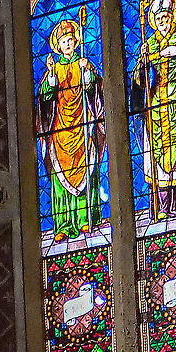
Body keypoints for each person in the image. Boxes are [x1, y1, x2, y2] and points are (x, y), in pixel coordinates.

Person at [129, 0, 176, 223]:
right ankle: (162, 206)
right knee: (157, 155)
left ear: (173, 17)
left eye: (166, 17)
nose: (163, 22)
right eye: (159, 19)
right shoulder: (148, 44)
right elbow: (138, 81)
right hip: (156, 103)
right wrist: (142, 64)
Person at [35, 18, 107, 243]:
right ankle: (64, 224)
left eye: (70, 40)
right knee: (60, 178)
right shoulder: (54, 68)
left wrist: (88, 75)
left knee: (86, 171)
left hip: (82, 126)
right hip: (60, 128)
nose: (67, 44)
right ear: (58, 45)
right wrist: (50, 75)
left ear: (76, 41)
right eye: (63, 41)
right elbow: (46, 96)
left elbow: (94, 89)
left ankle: (86, 218)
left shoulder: (84, 63)